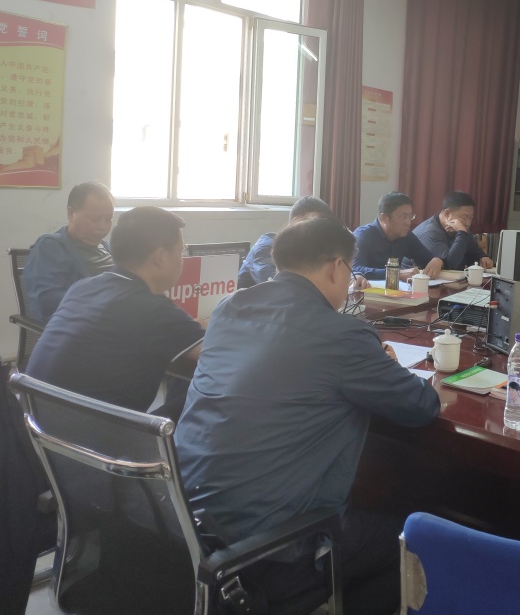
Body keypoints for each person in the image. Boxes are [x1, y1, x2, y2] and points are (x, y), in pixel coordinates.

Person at [175, 216, 441, 614]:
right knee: (414, 544)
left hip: (191, 526)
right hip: (273, 550)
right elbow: (421, 406)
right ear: (336, 267)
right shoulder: (342, 334)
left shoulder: (229, 308)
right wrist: (386, 365)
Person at [25, 207, 205, 417]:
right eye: (180, 252)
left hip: (34, 423)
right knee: (211, 393)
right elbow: (223, 355)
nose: (182, 260)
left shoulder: (83, 287)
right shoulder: (153, 309)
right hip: (95, 433)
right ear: (160, 257)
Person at [23, 181, 115, 323]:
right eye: (95, 219)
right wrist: (107, 302)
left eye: (108, 219)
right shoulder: (50, 247)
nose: (103, 227)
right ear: (71, 213)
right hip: (87, 326)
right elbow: (46, 303)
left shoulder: (109, 248)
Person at [237, 195, 334, 288]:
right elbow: (280, 286)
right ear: (296, 222)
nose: (321, 234)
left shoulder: (309, 250)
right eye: (316, 226)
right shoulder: (266, 246)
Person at [352, 192, 445, 281]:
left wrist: (437, 260)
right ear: (384, 218)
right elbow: (355, 269)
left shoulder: (406, 236)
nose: (408, 222)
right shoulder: (363, 234)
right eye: (403, 217)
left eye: (410, 217)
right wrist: (395, 273)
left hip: (396, 290)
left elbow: (427, 260)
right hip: (365, 289)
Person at [412, 190, 494, 270]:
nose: (468, 223)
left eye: (470, 218)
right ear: (447, 214)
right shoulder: (429, 231)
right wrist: (462, 233)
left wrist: (482, 258)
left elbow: (474, 253)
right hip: (416, 278)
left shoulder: (461, 229)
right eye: (464, 217)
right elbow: (450, 265)